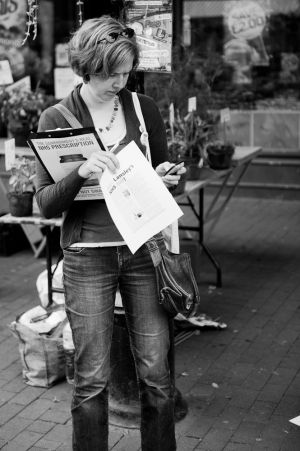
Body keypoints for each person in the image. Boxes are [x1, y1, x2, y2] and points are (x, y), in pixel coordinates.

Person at [35, 15, 185, 451]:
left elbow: (160, 173)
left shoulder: (143, 108)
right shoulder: (57, 117)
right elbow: (45, 203)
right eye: (109, 74)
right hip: (87, 257)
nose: (119, 82)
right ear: (86, 67)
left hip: (144, 252)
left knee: (157, 374)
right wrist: (80, 172)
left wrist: (165, 175)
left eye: (125, 72)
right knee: (92, 379)